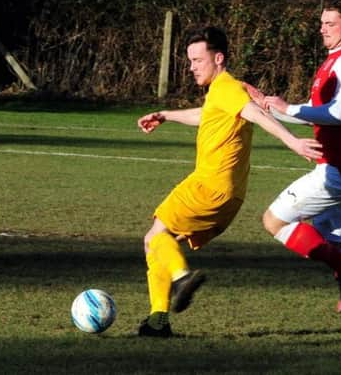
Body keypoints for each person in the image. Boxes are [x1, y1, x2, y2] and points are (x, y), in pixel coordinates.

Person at [136, 26, 322, 337]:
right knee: (157, 242)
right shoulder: (220, 93)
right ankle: (158, 320)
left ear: (218, 58)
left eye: (198, 59)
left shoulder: (227, 88)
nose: (192, 66)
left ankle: (182, 279)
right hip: (230, 199)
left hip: (207, 185)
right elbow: (207, 114)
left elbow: (255, 114)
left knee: (155, 236)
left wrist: (292, 142)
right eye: (190, 61)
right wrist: (166, 114)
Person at [244, 0, 341, 333]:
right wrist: (272, 109)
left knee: (274, 220)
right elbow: (322, 118)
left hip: (338, 172)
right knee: (326, 244)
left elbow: (338, 114)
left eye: (330, 23)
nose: (322, 29)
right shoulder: (335, 61)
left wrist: (288, 109)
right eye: (321, 23)